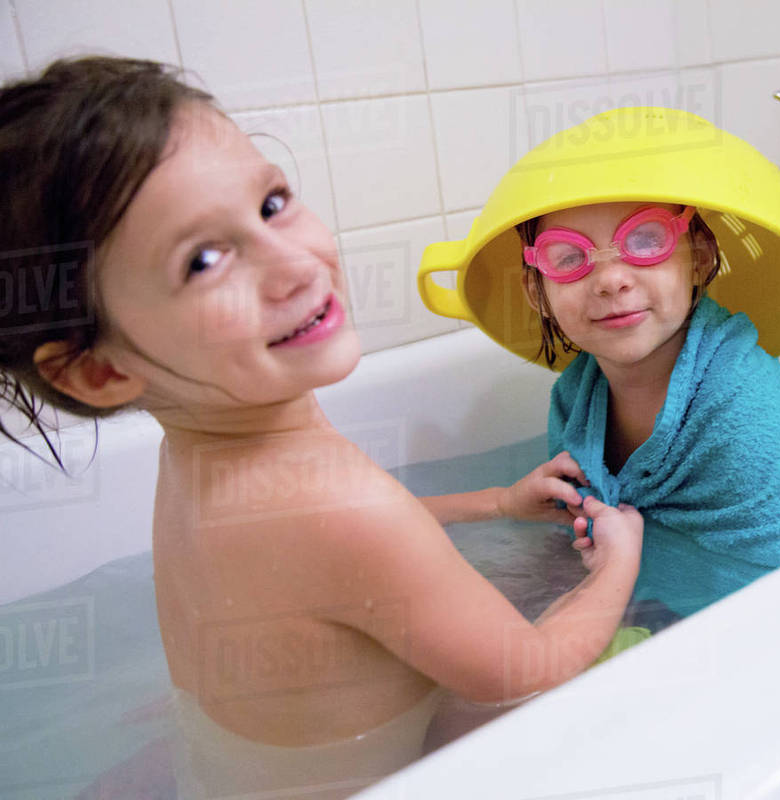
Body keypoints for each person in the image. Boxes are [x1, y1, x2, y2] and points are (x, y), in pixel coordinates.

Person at [0, 57, 642, 795]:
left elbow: (338, 557)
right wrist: (619, 561)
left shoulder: (201, 456)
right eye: (204, 261)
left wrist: (492, 503)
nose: (295, 265)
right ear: (102, 374)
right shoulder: (338, 505)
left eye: (272, 205)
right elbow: (521, 669)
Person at [420, 107, 780, 619]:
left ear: (699, 255)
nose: (609, 280)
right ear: (537, 292)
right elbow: (583, 538)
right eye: (568, 257)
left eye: (645, 240)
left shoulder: (748, 420)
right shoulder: (576, 398)